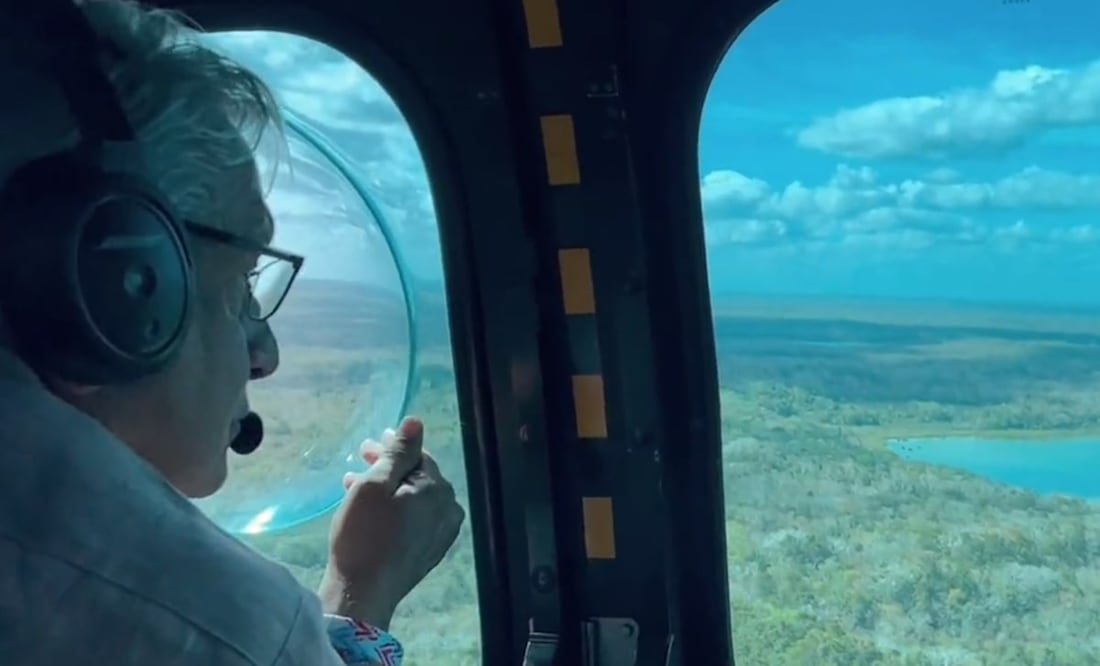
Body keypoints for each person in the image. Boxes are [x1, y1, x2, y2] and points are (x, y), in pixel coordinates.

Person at [0, 1, 465, 664]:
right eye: (242, 283)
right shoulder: (211, 626)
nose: (265, 355)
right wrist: (363, 592)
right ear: (115, 290)